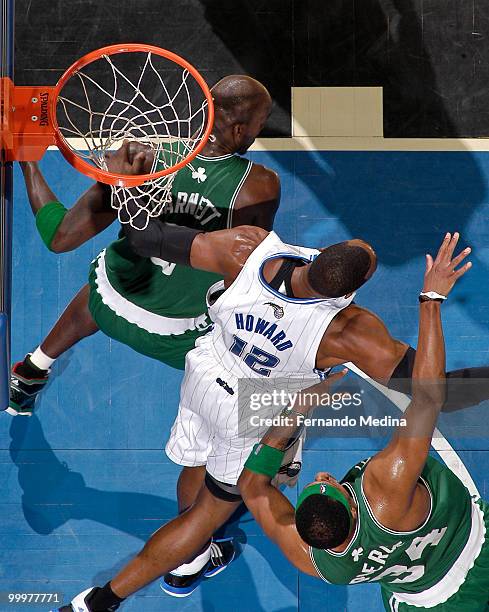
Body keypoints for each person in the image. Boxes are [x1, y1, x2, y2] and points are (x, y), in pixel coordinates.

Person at [53, 225, 476, 611]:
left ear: (321, 253)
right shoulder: (349, 331)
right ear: (353, 290)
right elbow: (436, 392)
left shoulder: (249, 250)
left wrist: (130, 196)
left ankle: (195, 549)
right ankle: (105, 599)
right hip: (249, 407)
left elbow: (153, 240)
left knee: (197, 462)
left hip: (204, 370)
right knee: (206, 515)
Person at [238, 233, 489, 611]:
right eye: (332, 484)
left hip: (423, 601)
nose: (322, 476)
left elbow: (252, 490)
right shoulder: (385, 485)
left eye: (315, 483)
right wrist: (431, 301)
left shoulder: (316, 561)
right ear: (354, 508)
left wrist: (296, 411)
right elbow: (428, 397)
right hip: (475, 548)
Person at [10, 74, 280, 417]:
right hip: (179, 338)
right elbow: (247, 269)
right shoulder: (260, 186)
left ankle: (32, 369)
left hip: (111, 306)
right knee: (259, 368)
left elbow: (59, 237)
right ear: (241, 130)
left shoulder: (140, 158)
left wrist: (25, 156)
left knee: (109, 279)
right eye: (260, 123)